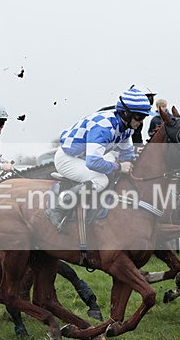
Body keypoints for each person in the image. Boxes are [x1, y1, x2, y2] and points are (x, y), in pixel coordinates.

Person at [45, 86, 156, 232]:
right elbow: (93, 162)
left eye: (144, 118)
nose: (141, 122)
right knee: (101, 180)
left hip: (85, 156)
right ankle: (58, 209)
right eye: (139, 117)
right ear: (126, 113)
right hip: (67, 159)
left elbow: (127, 155)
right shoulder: (104, 128)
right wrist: (119, 167)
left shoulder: (126, 127)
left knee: (113, 168)